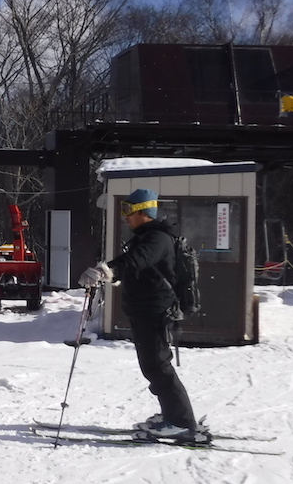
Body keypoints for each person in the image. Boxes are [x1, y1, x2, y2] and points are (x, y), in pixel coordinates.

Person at [78, 189, 205, 441]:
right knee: (153, 366)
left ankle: (180, 421)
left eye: (129, 211)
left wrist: (105, 272)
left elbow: (136, 260)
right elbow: (133, 263)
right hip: (146, 311)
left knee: (158, 366)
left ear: (145, 212)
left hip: (155, 311)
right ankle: (172, 414)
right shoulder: (147, 237)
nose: (125, 216)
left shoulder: (156, 238)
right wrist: (109, 271)